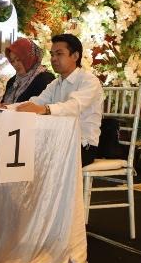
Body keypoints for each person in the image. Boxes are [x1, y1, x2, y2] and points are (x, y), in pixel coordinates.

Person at [16, 33, 104, 167]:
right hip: (58, 141)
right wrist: (6, 107)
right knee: (20, 151)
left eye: (59, 54)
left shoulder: (89, 81)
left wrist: (45, 109)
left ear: (75, 56)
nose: (54, 59)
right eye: (52, 54)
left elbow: (74, 106)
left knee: (36, 159)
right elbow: (36, 102)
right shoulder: (56, 83)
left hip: (82, 146)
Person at [1, 37, 55, 104]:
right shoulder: (12, 81)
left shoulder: (45, 79)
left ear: (29, 57)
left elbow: (39, 106)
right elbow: (3, 104)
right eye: (12, 61)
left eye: (18, 59)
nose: (15, 64)